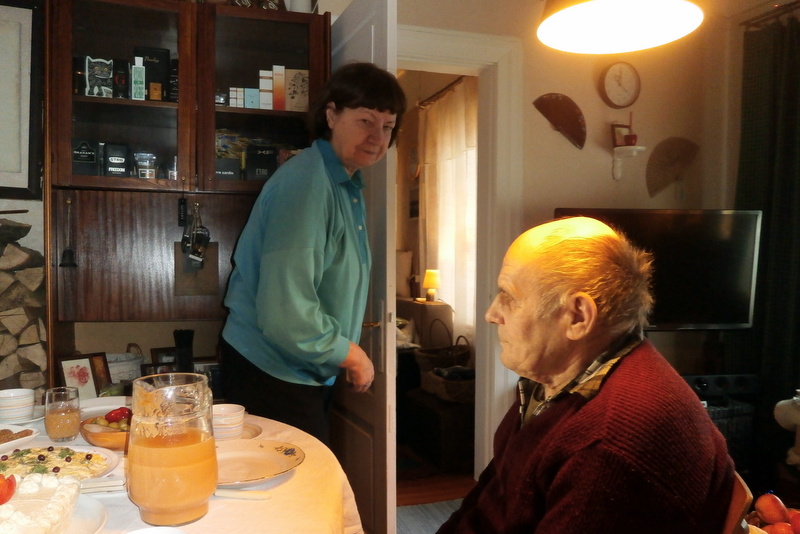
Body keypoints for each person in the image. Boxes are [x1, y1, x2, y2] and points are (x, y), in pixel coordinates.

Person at [438, 216, 735, 534]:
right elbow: (489, 498)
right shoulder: (554, 385)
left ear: (578, 316)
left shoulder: (608, 447)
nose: (492, 314)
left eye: (509, 296)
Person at [220, 62, 406, 444]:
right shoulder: (308, 183)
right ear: (332, 115)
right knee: (295, 481)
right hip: (272, 371)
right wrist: (352, 354)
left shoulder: (344, 183)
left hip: (299, 368)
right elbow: (287, 312)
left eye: (387, 126)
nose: (377, 137)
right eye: (366, 121)